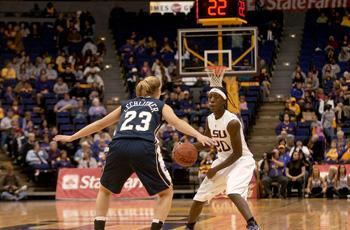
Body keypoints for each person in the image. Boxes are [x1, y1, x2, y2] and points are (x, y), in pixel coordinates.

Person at [53, 76, 214, 230]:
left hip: (118, 146)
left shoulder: (126, 104)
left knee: (104, 190)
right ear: (158, 91)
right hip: (143, 147)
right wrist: (198, 135)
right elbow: (177, 122)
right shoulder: (161, 105)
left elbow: (100, 124)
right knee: (166, 192)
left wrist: (72, 137)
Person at [184, 86, 260, 230]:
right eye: (210, 97)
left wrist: (215, 169)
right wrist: (190, 147)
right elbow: (207, 142)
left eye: (215, 97)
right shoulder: (209, 119)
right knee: (200, 196)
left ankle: (252, 225)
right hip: (223, 159)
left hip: (241, 160)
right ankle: (189, 227)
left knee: (233, 191)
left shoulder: (232, 122)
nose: (211, 100)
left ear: (224, 102)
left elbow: (237, 153)